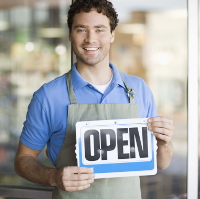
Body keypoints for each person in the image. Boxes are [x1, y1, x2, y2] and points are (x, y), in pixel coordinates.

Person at [14, 0, 174, 198]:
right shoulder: (47, 96)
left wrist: (165, 142)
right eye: (82, 29)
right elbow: (23, 160)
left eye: (100, 29)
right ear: (70, 34)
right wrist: (53, 177)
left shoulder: (138, 88)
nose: (90, 39)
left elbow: (162, 162)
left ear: (112, 34)